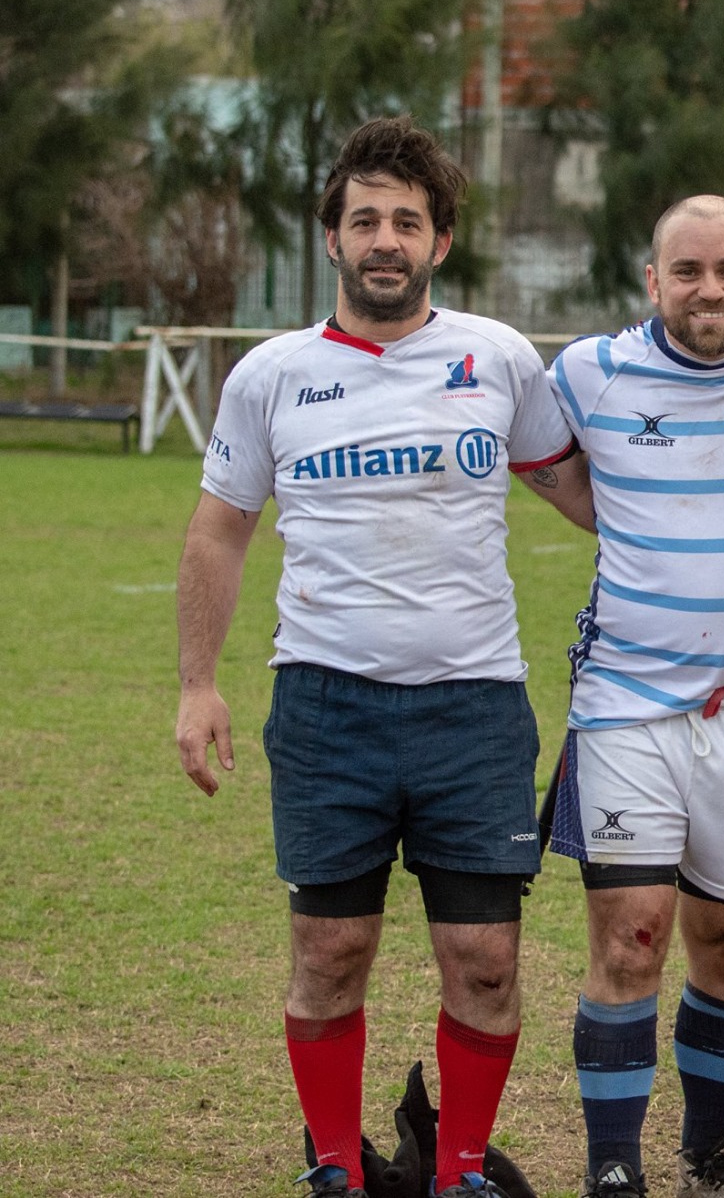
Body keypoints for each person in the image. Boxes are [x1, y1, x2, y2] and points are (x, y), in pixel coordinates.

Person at [173, 116, 591, 1198]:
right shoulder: (272, 375)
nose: (385, 240)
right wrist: (197, 683)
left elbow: (577, 493)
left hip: (474, 711)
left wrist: (713, 513)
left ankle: (458, 1174)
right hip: (325, 707)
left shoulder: (497, 357)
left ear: (440, 241)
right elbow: (220, 527)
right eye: (365, 219)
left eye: (407, 220)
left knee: (485, 964)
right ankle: (331, 1170)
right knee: (329, 954)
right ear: (333, 239)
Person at [540, 195, 724, 1198]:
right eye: (686, 270)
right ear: (651, 282)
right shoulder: (588, 372)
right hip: (625, 705)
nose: (707, 288)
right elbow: (541, 462)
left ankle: (709, 1154)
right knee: (631, 938)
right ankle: (612, 1171)